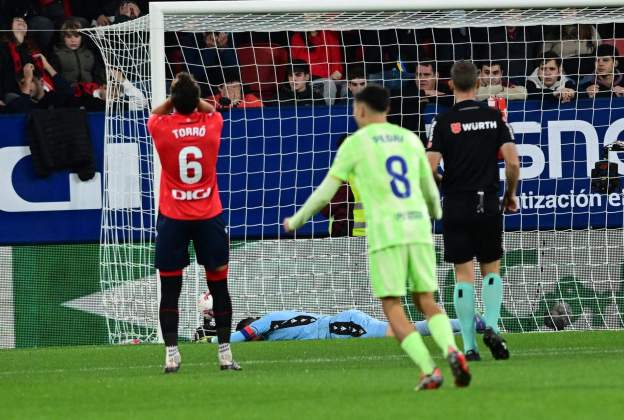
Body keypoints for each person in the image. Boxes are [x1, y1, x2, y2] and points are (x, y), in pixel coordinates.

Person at [284, 84, 471, 391]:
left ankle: (429, 370)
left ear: (360, 110)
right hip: (419, 228)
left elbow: (324, 193)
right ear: (388, 110)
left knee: (392, 305)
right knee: (426, 300)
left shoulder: (355, 145)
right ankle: (452, 351)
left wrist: (297, 219)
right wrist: (437, 213)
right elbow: (429, 187)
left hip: (387, 232)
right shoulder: (410, 139)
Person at [147, 72, 241, 373]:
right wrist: (190, 99)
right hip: (208, 217)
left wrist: (175, 100)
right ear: (197, 100)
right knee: (219, 287)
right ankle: (225, 354)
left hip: (174, 218)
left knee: (170, 288)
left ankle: (172, 354)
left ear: (174, 101)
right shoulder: (212, 124)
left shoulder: (160, 127)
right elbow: (211, 109)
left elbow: (154, 112)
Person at [426, 60, 520, 362]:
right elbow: (513, 163)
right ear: (478, 84)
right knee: (491, 269)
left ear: (450, 84)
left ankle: (469, 345)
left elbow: (427, 168)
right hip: (487, 201)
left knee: (463, 275)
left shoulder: (443, 121)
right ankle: (491, 326)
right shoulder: (494, 117)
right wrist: (509, 195)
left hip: (456, 203)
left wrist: (444, 181)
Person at [200, 309, 485, 343]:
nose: (254, 341)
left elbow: (243, 336)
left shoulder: (263, 322)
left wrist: (213, 341)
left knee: (405, 331)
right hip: (342, 323)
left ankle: (467, 323)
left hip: (341, 326)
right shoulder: (273, 330)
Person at [388, 61, 452, 146]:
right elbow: (391, 96)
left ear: (436, 76)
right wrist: (424, 92)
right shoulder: (408, 88)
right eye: (418, 75)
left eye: (426, 75)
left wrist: (431, 98)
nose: (421, 79)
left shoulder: (444, 89)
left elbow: (453, 100)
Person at [290, 30, 343, 105]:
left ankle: (328, 113)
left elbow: (337, 68)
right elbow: (296, 66)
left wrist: (333, 75)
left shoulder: (329, 35)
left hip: (328, 80)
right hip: (306, 81)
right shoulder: (297, 37)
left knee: (344, 87)